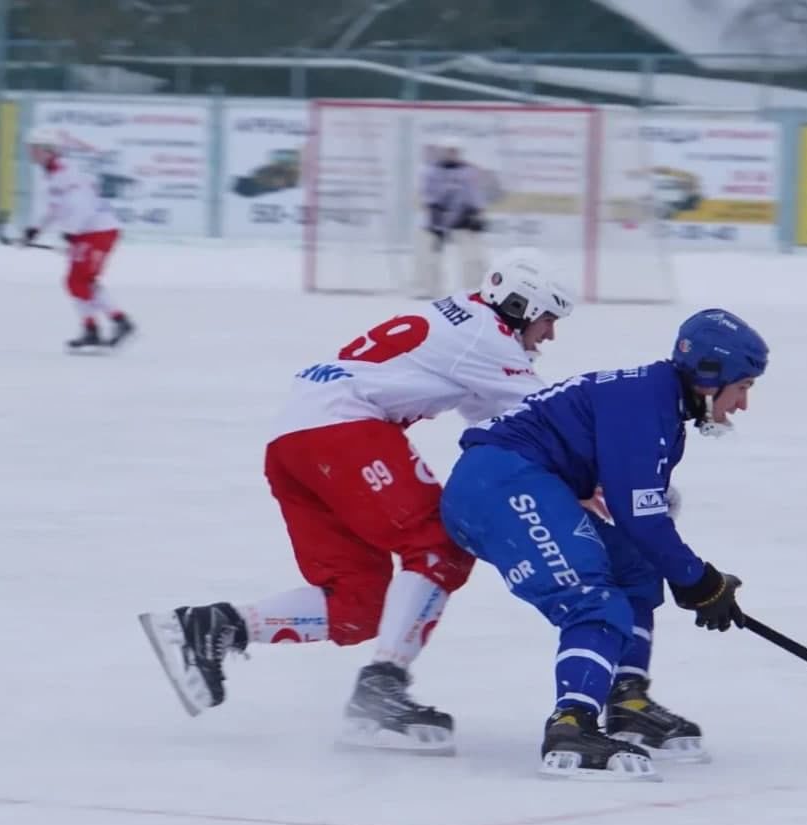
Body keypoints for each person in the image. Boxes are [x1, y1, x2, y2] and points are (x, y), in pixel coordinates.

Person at [139, 248, 574, 753]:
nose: (550, 335)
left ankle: (215, 626)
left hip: (294, 442)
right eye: (547, 319)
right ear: (519, 305)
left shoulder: (467, 321)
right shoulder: (488, 337)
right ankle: (383, 686)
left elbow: (496, 421)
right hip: (341, 430)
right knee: (440, 543)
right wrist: (601, 482)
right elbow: (548, 419)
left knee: (359, 604)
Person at [439, 309, 769, 781]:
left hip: (513, 481)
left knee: (634, 569)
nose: (742, 405)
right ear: (710, 376)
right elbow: (639, 514)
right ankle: (572, 724)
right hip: (500, 485)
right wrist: (701, 580)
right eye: (743, 388)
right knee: (591, 597)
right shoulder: (646, 404)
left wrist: (691, 581)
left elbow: (641, 523)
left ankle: (627, 698)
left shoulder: (657, 403)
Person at [23, 126, 135, 352]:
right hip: (86, 232)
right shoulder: (51, 174)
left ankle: (105, 326)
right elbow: (53, 208)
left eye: (34, 148)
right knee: (79, 281)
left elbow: (81, 206)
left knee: (79, 279)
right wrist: (34, 230)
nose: (31, 153)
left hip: (99, 230)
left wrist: (71, 233)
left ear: (48, 150)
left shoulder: (66, 173)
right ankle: (109, 324)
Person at [415, 136, 498, 297]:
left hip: (463, 219)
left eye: (454, 151)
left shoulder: (468, 172)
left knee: (473, 257)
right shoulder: (430, 171)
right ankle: (428, 289)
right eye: (448, 151)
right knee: (429, 257)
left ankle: (475, 290)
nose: (451, 154)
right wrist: (434, 216)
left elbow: (474, 194)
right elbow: (426, 195)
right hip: (437, 218)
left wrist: (478, 214)